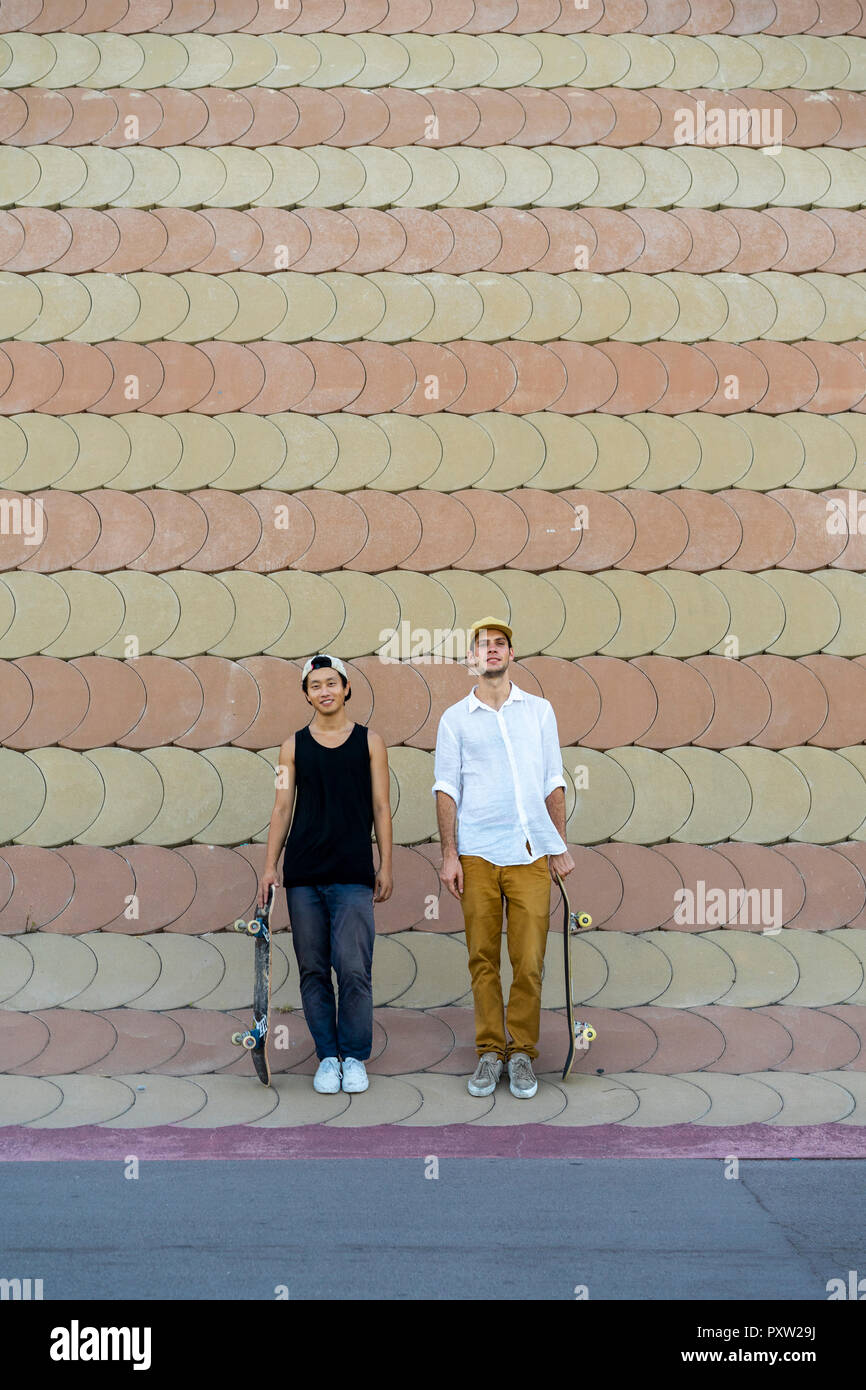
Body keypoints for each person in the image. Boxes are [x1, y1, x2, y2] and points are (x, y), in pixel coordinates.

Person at [433, 618, 574, 1099]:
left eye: (499, 644)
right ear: (472, 659)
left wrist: (559, 846)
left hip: (530, 853)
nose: (490, 651)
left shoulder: (538, 711)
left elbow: (553, 779)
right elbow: (446, 789)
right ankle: (491, 1052)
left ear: (512, 654)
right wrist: (449, 853)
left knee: (529, 959)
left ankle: (523, 1054)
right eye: (482, 646)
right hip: (475, 853)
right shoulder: (455, 719)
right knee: (483, 957)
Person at [259, 655, 393, 1095]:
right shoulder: (290, 747)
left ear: (347, 688)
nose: (324, 691)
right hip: (303, 876)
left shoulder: (371, 742)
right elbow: (282, 807)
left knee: (354, 968)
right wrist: (269, 866)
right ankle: (328, 1057)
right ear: (306, 694)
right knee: (313, 969)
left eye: (331, 683)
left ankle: (354, 1057)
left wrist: (385, 864)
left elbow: (380, 806)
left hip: (353, 873)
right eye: (315, 685)